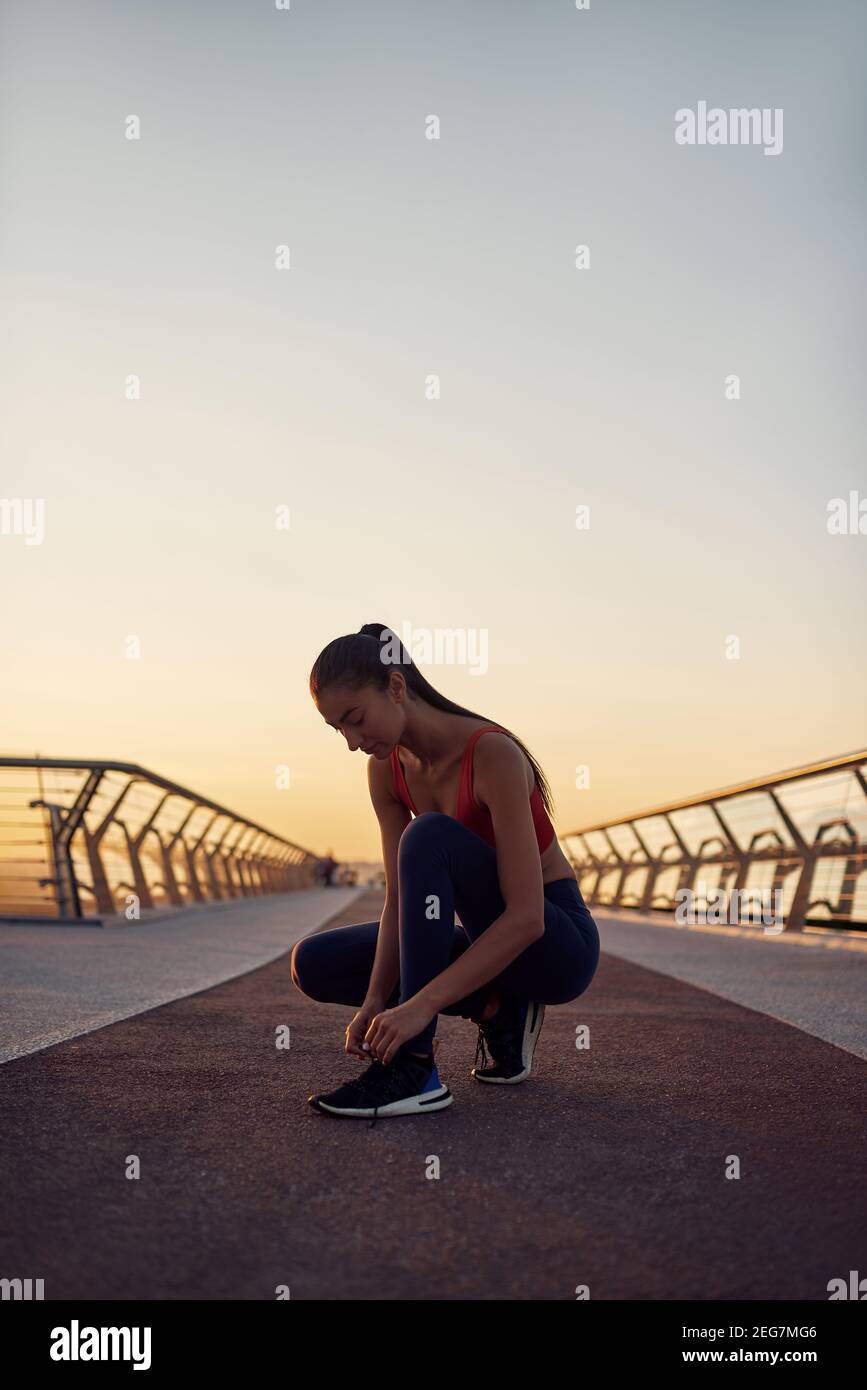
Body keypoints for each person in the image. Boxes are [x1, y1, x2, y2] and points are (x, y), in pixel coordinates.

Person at [290, 623, 600, 1125]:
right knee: (314, 963)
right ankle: (501, 1006)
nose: (351, 741)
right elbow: (399, 900)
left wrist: (419, 1007)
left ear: (395, 687)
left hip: (555, 945)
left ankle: (415, 1070)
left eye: (355, 719)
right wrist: (373, 1000)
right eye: (337, 729)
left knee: (429, 834)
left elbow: (526, 919)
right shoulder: (385, 769)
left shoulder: (492, 753)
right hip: (486, 937)